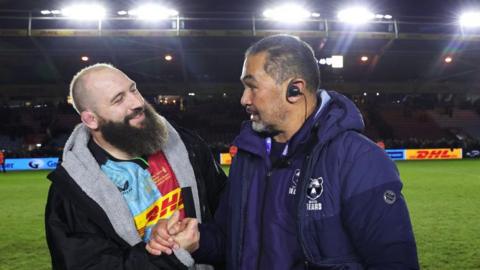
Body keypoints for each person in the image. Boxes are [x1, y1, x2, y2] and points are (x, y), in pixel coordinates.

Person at [149, 34, 419, 269]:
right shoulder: (248, 156)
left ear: (294, 90)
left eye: (252, 86)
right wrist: (197, 239)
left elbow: (394, 262)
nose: (244, 99)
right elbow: (230, 241)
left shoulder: (358, 159)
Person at [44, 63, 226, 270]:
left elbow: (227, 216)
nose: (137, 102)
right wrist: (174, 255)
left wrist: (201, 239)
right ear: (91, 119)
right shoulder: (72, 192)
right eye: (118, 99)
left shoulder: (187, 146)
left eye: (133, 89)